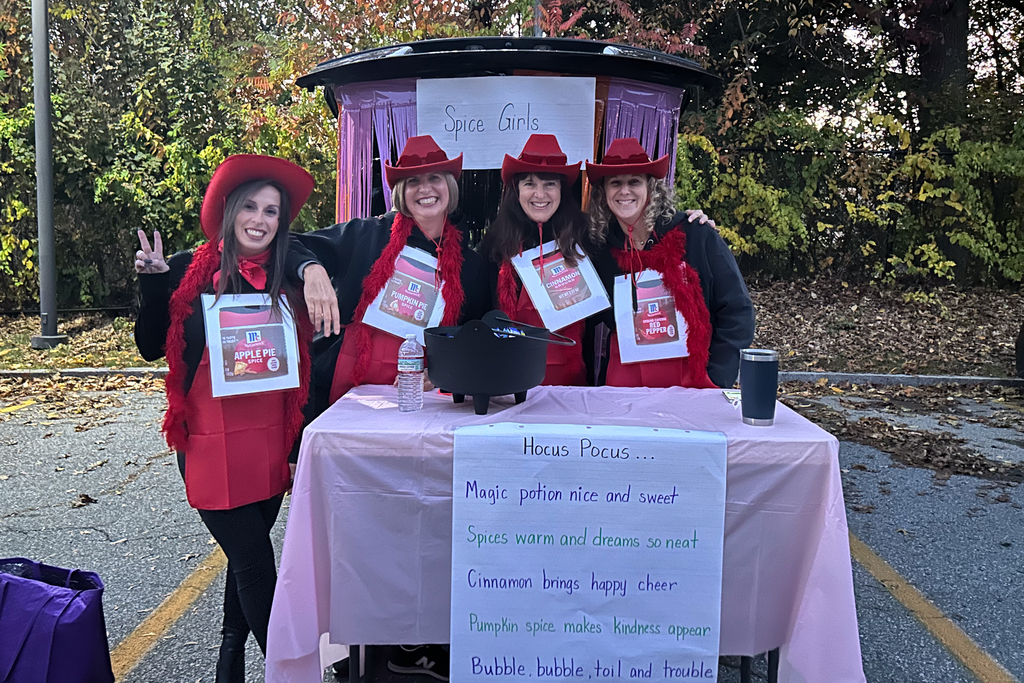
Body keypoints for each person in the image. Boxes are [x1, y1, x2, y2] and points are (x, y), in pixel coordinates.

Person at [133, 155, 315, 682]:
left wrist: (312, 270)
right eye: (252, 207)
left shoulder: (285, 277)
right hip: (209, 446)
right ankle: (293, 669)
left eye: (273, 211)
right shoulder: (190, 269)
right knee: (257, 564)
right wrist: (152, 286)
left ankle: (229, 657)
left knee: (246, 561)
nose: (260, 219)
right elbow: (149, 346)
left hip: (266, 445)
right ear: (232, 210)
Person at [293, 135, 491, 421]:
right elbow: (287, 243)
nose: (425, 189)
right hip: (344, 393)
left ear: (449, 186)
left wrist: (441, 374)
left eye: (434, 178)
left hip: (421, 403)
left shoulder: (471, 267)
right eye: (412, 181)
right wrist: (310, 269)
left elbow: (475, 339)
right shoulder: (366, 235)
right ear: (401, 191)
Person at [585, 137, 755, 388]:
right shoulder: (601, 251)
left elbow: (737, 311)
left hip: (691, 384)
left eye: (634, 181)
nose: (624, 191)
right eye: (615, 183)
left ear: (651, 188)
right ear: (604, 194)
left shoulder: (696, 235)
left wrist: (718, 378)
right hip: (624, 385)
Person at [478, 134, 593, 385]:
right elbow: (477, 316)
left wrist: (688, 223)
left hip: (572, 387)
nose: (540, 194)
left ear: (562, 190)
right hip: (509, 383)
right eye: (530, 183)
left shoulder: (586, 239)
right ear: (516, 190)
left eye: (550, 183)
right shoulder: (494, 247)